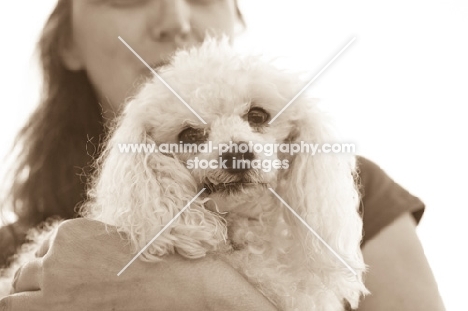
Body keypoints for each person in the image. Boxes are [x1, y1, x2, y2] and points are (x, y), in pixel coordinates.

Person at [0, 0, 445, 310]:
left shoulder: (364, 193)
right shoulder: (15, 255)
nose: (174, 19)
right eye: (191, 134)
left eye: (257, 116)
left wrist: (198, 293)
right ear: (66, 44)